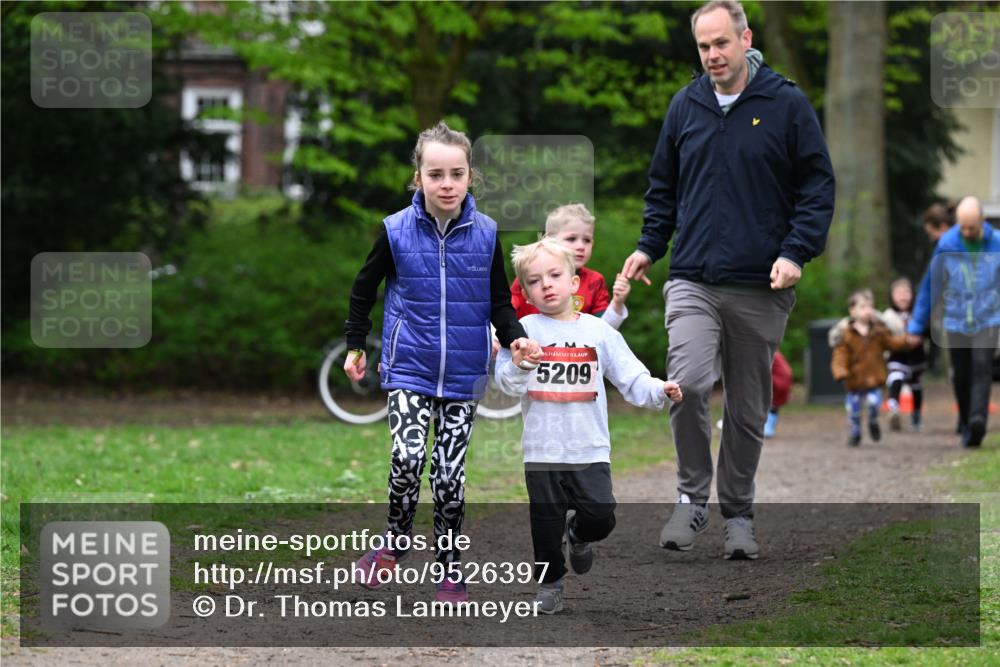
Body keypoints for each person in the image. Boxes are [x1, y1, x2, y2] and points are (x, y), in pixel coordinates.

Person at [620, 0, 834, 559]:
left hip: (762, 284)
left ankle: (738, 514)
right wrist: (648, 246)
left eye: (721, 43)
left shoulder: (785, 103)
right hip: (692, 276)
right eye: (703, 46)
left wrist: (795, 252)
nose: (713, 54)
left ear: (745, 39)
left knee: (746, 406)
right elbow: (663, 187)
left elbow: (817, 187)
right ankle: (692, 498)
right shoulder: (686, 105)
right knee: (687, 384)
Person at [343, 122, 539, 603]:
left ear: (471, 176)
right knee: (408, 457)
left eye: (456, 174)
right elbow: (363, 289)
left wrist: (516, 338)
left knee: (450, 477)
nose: (447, 184)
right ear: (419, 178)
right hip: (409, 365)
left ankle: (449, 565)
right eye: (436, 175)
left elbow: (499, 302)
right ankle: (395, 541)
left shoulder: (486, 233)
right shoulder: (395, 231)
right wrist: (355, 345)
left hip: (464, 374)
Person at [495, 238, 683, 614]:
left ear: (574, 282)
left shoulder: (599, 332)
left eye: (554, 275)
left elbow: (631, 376)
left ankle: (578, 534)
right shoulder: (521, 331)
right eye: (534, 281)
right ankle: (550, 584)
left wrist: (659, 390)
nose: (546, 285)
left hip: (589, 447)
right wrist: (520, 363)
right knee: (545, 525)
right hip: (543, 449)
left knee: (600, 516)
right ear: (525, 292)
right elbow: (505, 385)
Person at [908, 195, 1000, 448]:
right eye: (963, 227)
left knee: (982, 367)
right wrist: (916, 325)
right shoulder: (947, 244)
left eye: (972, 227)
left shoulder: (997, 243)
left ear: (982, 220)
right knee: (960, 375)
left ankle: (978, 420)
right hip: (957, 320)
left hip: (988, 318)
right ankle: (967, 421)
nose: (967, 232)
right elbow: (930, 286)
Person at [510, 203, 631, 329]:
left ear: (574, 283)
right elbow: (505, 315)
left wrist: (617, 303)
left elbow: (603, 330)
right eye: (571, 239)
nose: (581, 246)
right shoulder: (529, 278)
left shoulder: (595, 281)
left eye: (587, 240)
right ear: (549, 240)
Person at [830, 289, 913, 447]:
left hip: (874, 379)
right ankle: (855, 432)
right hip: (854, 381)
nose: (868, 310)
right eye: (863, 307)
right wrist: (840, 371)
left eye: (870, 306)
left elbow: (891, 343)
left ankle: (873, 421)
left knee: (874, 404)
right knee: (853, 410)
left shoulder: (878, 331)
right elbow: (840, 356)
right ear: (852, 310)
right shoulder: (847, 334)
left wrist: (906, 340)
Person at [881, 278, 928, 431]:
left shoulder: (919, 314)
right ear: (892, 296)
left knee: (916, 388)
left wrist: (920, 336)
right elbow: (884, 339)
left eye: (906, 292)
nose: (903, 297)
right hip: (897, 356)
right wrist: (903, 342)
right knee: (896, 378)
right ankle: (894, 408)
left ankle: (916, 415)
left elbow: (929, 330)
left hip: (917, 358)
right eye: (898, 293)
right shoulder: (887, 317)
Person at [765, 351, 792, 438]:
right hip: (785, 380)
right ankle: (769, 427)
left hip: (777, 381)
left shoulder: (766, 352)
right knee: (774, 404)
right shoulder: (774, 352)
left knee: (770, 403)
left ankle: (767, 427)